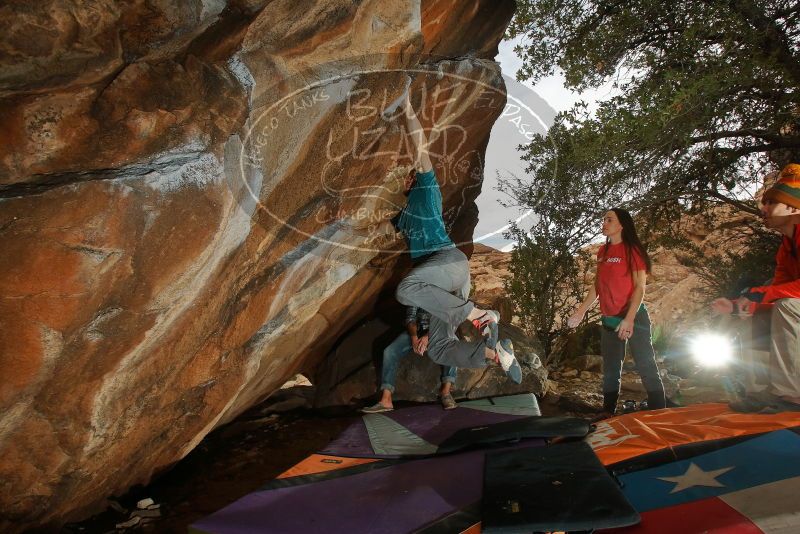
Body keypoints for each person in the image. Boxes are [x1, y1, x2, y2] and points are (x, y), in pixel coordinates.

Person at [387, 81, 522, 384]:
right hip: (446, 286)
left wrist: (406, 104)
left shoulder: (428, 189)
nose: (406, 180)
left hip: (448, 262)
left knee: (405, 290)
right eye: (406, 179)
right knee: (438, 349)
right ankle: (494, 354)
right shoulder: (402, 217)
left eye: (409, 176)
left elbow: (419, 147)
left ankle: (479, 316)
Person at [711, 163, 800, 413]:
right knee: (755, 313)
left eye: (771, 203)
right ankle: (761, 391)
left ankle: (791, 395)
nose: (763, 209)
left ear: (793, 207)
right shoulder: (786, 247)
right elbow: (779, 289)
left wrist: (758, 295)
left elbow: (786, 294)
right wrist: (742, 304)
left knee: (788, 306)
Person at [567, 208, 666, 419]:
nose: (604, 222)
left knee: (645, 363)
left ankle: (659, 411)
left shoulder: (633, 251)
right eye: (603, 219)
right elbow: (597, 286)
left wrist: (629, 319)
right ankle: (608, 411)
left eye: (609, 219)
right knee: (611, 367)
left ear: (621, 225)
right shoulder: (602, 252)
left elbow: (640, 288)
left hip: (633, 316)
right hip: (610, 317)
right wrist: (580, 312)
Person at [362, 306, 458, 413]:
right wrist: (414, 337)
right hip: (418, 331)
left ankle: (445, 392)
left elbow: (448, 320)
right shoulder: (416, 292)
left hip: (438, 333)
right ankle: (386, 400)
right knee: (390, 351)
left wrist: (428, 336)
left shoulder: (444, 295)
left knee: (453, 344)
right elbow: (410, 319)